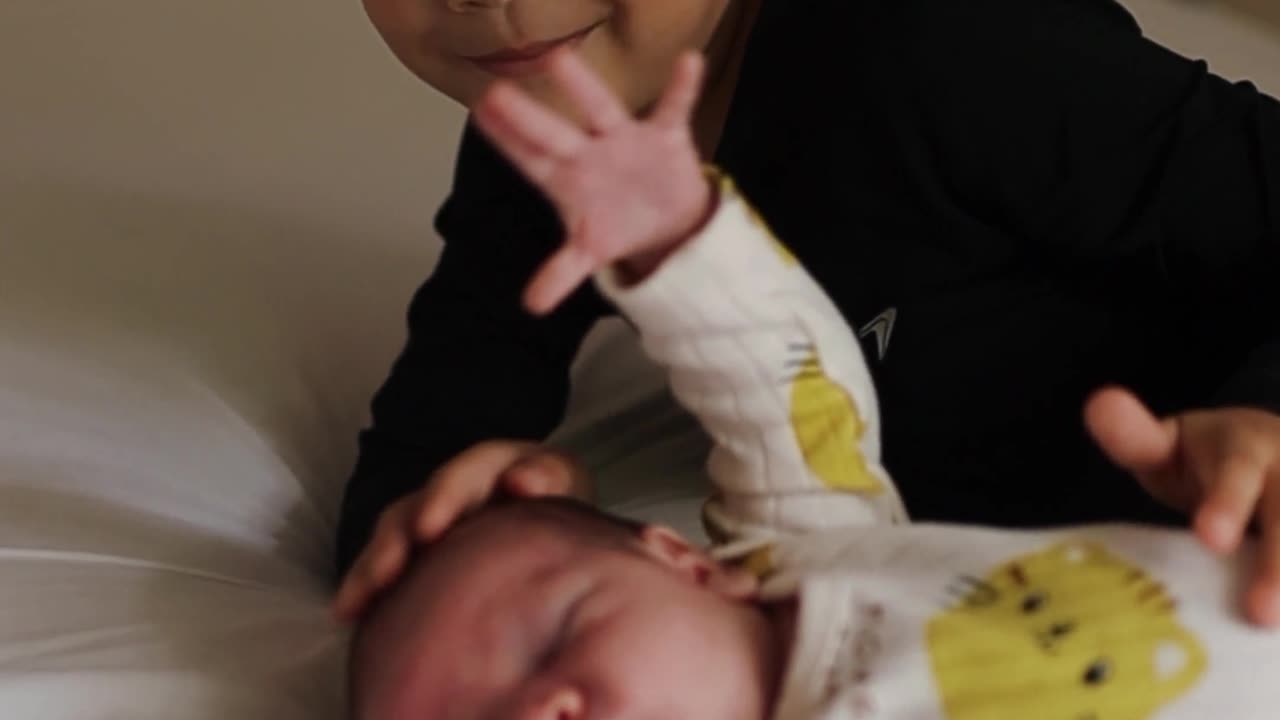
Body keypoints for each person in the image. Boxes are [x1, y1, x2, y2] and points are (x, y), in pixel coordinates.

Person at [342, 52, 1279, 719]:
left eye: (560, 636)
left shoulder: (803, 557)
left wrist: (674, 238)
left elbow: (779, 386)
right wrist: (444, 504)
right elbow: (398, 508)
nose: (545, 709)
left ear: (689, 564)